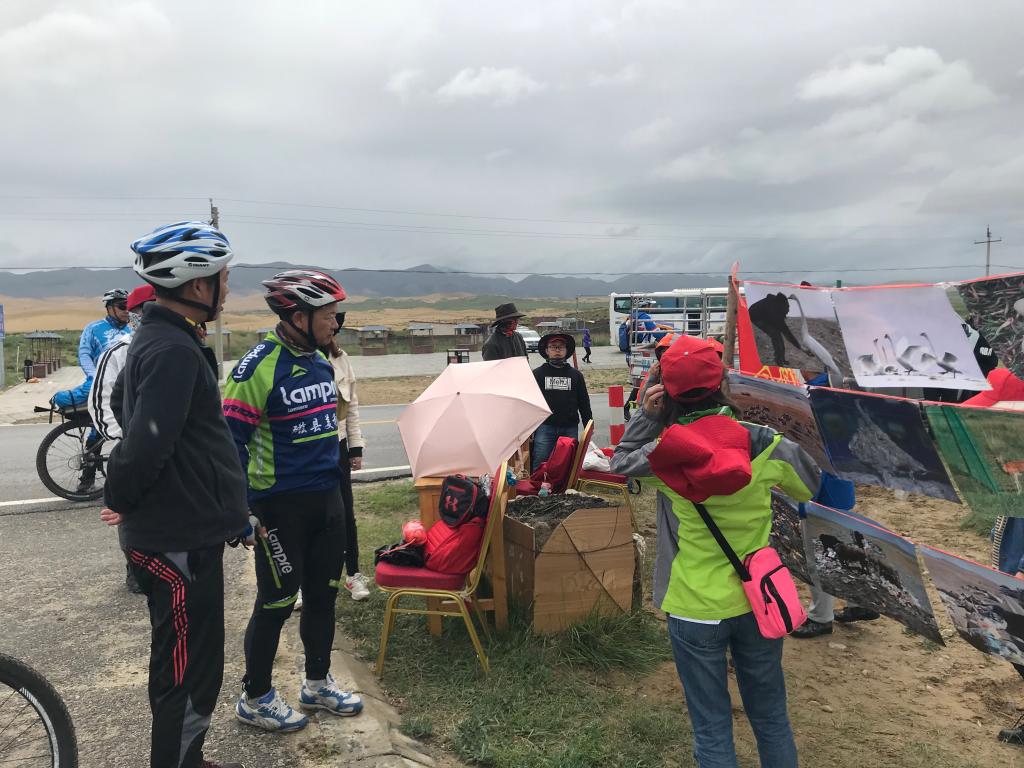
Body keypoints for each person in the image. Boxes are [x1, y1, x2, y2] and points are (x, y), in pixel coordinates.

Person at [611, 334, 819, 768]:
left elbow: (620, 462)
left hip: (694, 603)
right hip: (759, 598)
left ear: (666, 391)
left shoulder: (665, 453)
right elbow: (810, 486)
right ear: (723, 382)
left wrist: (648, 416)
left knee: (710, 725)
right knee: (771, 717)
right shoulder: (766, 444)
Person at [100, 220, 249, 768]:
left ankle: (189, 758)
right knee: (186, 672)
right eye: (223, 277)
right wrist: (122, 495)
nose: (228, 287)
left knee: (190, 663)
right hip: (176, 539)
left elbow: (126, 402)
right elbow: (144, 441)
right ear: (196, 284)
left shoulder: (165, 337)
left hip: (186, 528)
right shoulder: (174, 349)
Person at [224, 270, 364, 733]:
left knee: (324, 596)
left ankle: (317, 684)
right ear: (298, 316)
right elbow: (228, 444)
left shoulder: (321, 360)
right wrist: (240, 509)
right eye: (329, 315)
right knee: (277, 602)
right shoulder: (257, 367)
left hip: (327, 500)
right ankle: (255, 697)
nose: (335, 324)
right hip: (279, 507)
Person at [87, 283, 156, 594]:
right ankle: (135, 568)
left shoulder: (176, 346)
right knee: (128, 510)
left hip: (163, 447)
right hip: (129, 447)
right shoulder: (118, 352)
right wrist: (122, 438)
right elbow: (101, 401)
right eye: (143, 311)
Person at [320, 310, 370, 602]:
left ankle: (353, 574)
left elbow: (351, 406)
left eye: (335, 326)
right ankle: (302, 582)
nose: (332, 329)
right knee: (310, 514)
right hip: (308, 447)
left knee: (345, 513)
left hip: (337, 445)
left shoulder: (341, 359)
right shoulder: (298, 359)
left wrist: (355, 448)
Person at [531, 332, 592, 472]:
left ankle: (564, 486)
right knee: (540, 461)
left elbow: (584, 402)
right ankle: (538, 485)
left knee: (568, 463)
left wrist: (588, 425)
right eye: (553, 347)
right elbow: (532, 403)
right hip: (545, 426)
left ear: (566, 350)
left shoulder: (576, 375)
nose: (557, 350)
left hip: (569, 427)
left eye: (561, 347)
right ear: (547, 350)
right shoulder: (537, 374)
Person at [748, 292, 804, 367]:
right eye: (787, 307)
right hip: (755, 317)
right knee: (776, 336)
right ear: (781, 306)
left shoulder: (778, 304)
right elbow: (787, 333)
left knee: (778, 335)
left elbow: (786, 332)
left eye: (788, 306)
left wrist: (799, 346)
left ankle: (782, 359)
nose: (788, 310)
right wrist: (799, 347)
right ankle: (779, 361)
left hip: (764, 314)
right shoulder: (774, 312)